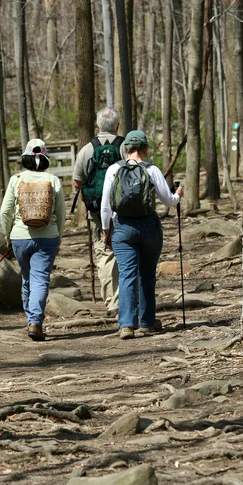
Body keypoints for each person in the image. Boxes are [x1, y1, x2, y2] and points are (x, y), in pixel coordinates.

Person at [101, 130, 184, 340]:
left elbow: (105, 206)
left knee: (127, 275)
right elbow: (167, 201)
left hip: (122, 227)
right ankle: (147, 322)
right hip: (149, 227)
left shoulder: (113, 170)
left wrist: (105, 231)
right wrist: (178, 195)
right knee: (147, 275)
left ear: (126, 149)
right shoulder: (152, 170)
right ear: (145, 149)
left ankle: (127, 324)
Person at [0, 139, 66, 341]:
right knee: (39, 279)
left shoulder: (16, 179)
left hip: (20, 236)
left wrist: (8, 235)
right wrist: (59, 237)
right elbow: (61, 214)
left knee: (28, 278)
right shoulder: (53, 180)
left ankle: (31, 319)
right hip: (47, 237)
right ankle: (35, 321)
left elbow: (5, 211)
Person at [72, 107, 125, 315]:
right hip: (123, 210)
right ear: (117, 126)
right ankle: (126, 300)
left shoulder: (87, 149)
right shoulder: (124, 148)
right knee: (125, 252)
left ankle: (112, 302)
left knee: (104, 254)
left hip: (95, 211)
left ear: (97, 126)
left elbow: (77, 181)